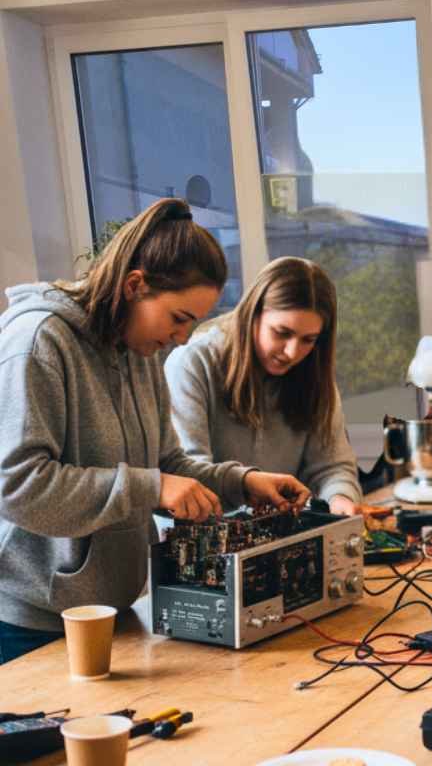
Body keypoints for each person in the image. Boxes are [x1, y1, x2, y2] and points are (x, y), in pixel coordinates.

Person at [0, 199, 311, 665]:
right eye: (179, 318)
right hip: (32, 624)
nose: (183, 337)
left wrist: (243, 482)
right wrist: (151, 486)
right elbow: (18, 486)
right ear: (135, 285)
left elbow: (166, 465)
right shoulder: (39, 341)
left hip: (117, 611)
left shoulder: (139, 351)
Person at [164, 257, 362, 515]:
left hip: (285, 533)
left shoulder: (313, 370)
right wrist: (246, 487)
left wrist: (340, 497)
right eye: (282, 332)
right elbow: (187, 476)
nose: (292, 352)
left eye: (308, 339)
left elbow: (332, 466)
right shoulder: (192, 363)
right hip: (205, 533)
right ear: (252, 313)